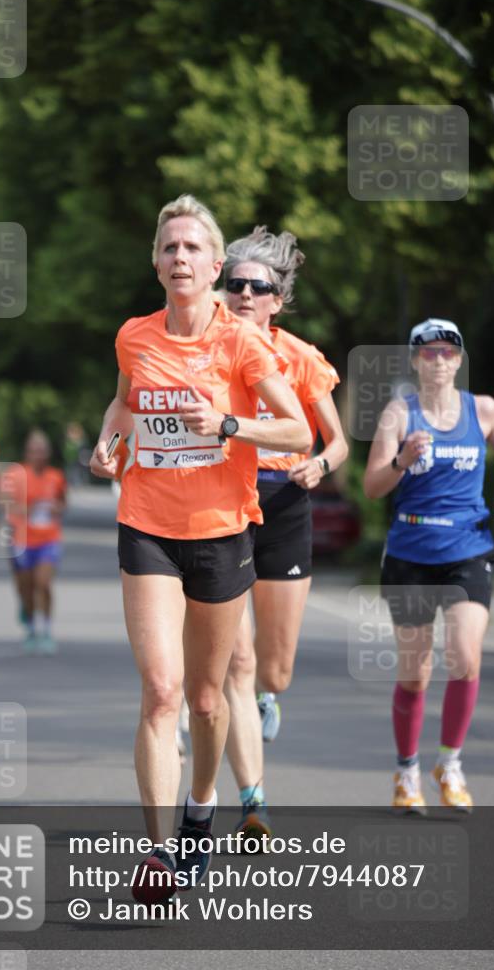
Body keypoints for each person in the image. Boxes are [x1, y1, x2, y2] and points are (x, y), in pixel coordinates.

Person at [90, 194, 311, 901]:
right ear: (155, 263)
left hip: (220, 532)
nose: (180, 257)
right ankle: (158, 855)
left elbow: (296, 431)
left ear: (214, 266)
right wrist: (107, 441)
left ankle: (203, 806)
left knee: (208, 700)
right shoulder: (134, 336)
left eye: (192, 249)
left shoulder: (241, 344)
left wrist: (225, 424)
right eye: (169, 247)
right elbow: (124, 403)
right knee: (160, 693)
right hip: (147, 523)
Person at [363, 319, 494, 812]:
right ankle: (407, 770)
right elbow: (373, 486)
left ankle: (450, 763)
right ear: (415, 361)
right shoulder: (399, 413)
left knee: (465, 656)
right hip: (411, 551)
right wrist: (400, 461)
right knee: (415, 674)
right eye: (428, 353)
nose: (438, 360)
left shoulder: (483, 409)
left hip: (468, 548)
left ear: (458, 360)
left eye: (446, 353)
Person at [222, 227, 348, 839]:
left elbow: (339, 441)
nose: (244, 294)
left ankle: (268, 698)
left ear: (277, 298)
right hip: (226, 504)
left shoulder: (299, 357)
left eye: (257, 287)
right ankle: (253, 798)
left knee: (275, 668)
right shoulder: (207, 350)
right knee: (237, 660)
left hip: (287, 502)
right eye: (235, 284)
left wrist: (320, 465)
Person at [3, 430, 67, 654]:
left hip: (48, 539)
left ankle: (46, 629)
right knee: (26, 587)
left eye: (42, 450)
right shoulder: (15, 474)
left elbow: (62, 504)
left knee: (43, 583)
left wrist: (55, 508)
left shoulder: (56, 477)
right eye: (34, 451)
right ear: (27, 453)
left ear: (48, 453)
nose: (38, 455)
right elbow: (7, 506)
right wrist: (31, 507)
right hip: (21, 540)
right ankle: (30, 626)